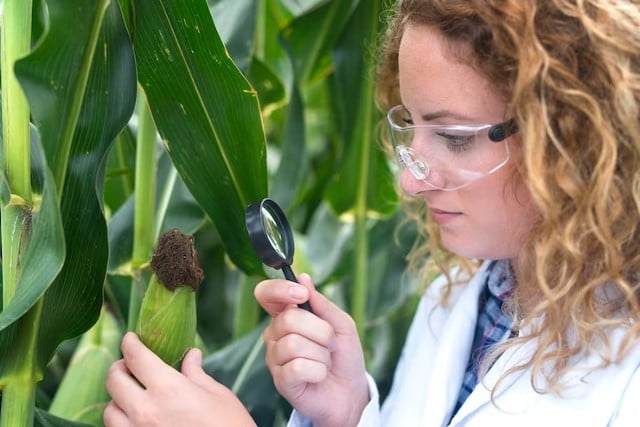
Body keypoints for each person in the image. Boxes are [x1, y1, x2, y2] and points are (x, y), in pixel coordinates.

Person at [104, 0, 640, 425]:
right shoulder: (467, 295)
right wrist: (347, 412)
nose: (410, 181)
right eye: (411, 127)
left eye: (454, 138)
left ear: (572, 137)